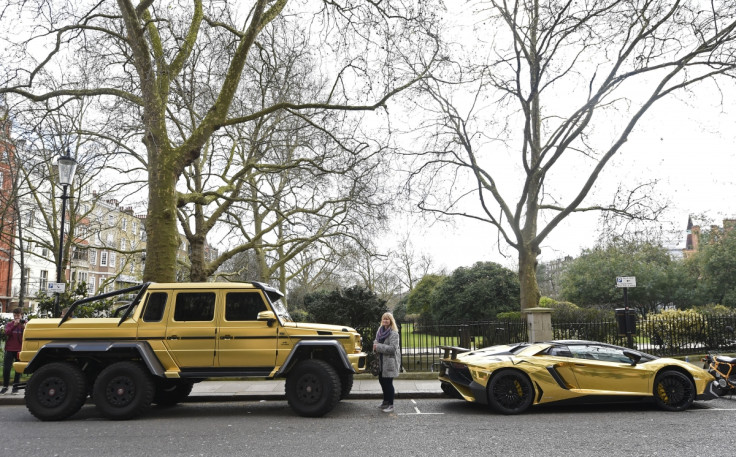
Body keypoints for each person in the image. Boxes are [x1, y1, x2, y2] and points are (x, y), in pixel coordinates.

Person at [373, 312, 400, 413]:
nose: (385, 321)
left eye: (387, 319)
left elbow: (393, 349)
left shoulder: (394, 333)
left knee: (388, 383)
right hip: (380, 361)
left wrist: (378, 347)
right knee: (382, 381)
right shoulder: (380, 331)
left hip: (389, 362)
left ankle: (391, 404)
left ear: (391, 321)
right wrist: (375, 345)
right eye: (384, 319)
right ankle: (385, 402)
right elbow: (376, 341)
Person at [2, 308, 25, 394]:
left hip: (19, 349)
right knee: (7, 368)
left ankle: (15, 387)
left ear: (21, 315)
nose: (16, 317)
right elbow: (7, 333)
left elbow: (28, 333)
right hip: (10, 348)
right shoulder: (10, 324)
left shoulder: (24, 324)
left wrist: (23, 326)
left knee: (18, 369)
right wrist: (14, 325)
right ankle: (5, 386)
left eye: (18, 316)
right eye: (15, 316)